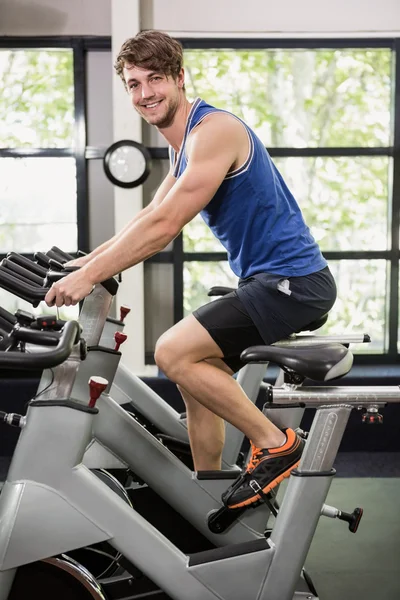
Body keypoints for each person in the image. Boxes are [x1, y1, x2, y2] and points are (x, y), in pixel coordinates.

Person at [44, 30, 337, 510]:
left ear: (180, 78)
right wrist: (86, 262)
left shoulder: (214, 131)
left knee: (172, 351)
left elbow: (163, 228)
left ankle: (276, 443)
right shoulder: (184, 147)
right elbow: (146, 217)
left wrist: (86, 278)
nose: (145, 94)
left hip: (295, 285)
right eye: (134, 84)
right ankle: (207, 497)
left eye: (155, 79)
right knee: (195, 375)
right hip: (268, 282)